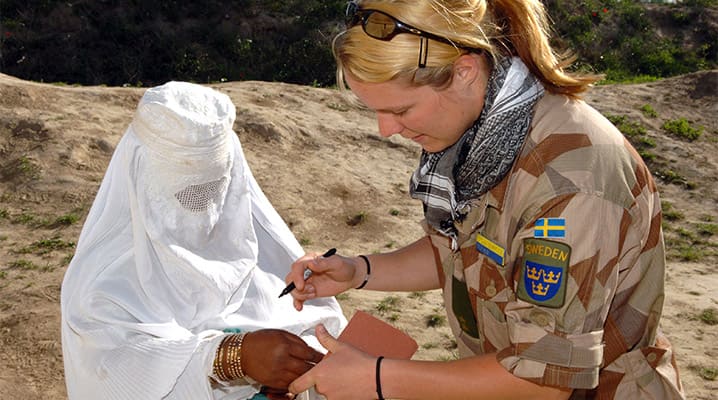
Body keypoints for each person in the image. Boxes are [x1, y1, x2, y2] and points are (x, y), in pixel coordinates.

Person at [285, 1, 685, 399]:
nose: (386, 129)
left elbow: (544, 380)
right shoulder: (484, 142)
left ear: (464, 72)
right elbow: (466, 252)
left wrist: (377, 378)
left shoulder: (569, 179)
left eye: (400, 109)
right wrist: (359, 271)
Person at [60, 81, 346, 400]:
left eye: (215, 187)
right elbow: (112, 374)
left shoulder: (263, 252)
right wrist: (229, 357)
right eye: (184, 192)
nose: (202, 207)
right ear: (139, 172)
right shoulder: (102, 283)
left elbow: (323, 334)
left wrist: (292, 377)